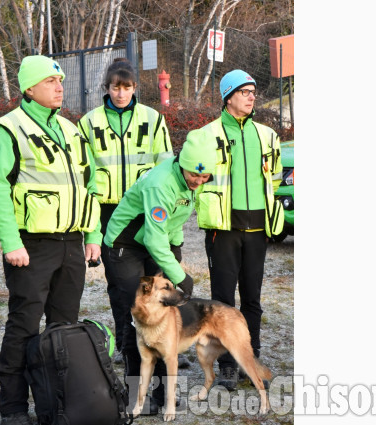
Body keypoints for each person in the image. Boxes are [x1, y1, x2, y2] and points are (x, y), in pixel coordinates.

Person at [0, 55, 102, 425]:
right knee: (24, 324)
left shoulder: (70, 130)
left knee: (64, 327)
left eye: (60, 80)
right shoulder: (6, 130)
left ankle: (57, 404)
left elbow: (91, 184)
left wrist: (93, 234)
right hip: (31, 246)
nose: (59, 86)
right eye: (50, 80)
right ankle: (14, 407)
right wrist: (10, 242)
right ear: (29, 88)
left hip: (71, 244)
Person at [103, 133, 216, 412]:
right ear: (181, 164)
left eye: (204, 178)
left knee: (165, 311)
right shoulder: (161, 183)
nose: (198, 182)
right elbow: (154, 239)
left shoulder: (192, 181)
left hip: (151, 241)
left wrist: (175, 250)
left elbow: (175, 219)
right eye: (194, 175)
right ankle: (135, 394)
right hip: (126, 244)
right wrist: (180, 276)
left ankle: (163, 392)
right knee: (136, 313)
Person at [192, 69, 284, 391]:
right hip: (223, 230)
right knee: (222, 303)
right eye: (245, 91)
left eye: (253, 91)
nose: (251, 96)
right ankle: (227, 366)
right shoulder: (206, 135)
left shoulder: (267, 135)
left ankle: (251, 361)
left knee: (253, 301)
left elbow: (272, 180)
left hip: (257, 228)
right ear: (228, 96)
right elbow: (195, 181)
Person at [77, 58, 173, 360]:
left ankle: (162, 341)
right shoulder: (89, 123)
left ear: (135, 88)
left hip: (146, 209)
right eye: (116, 88)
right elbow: (84, 174)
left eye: (127, 87)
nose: (121, 94)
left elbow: (167, 165)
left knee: (155, 281)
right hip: (109, 211)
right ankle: (125, 343)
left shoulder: (153, 119)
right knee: (121, 286)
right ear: (107, 88)